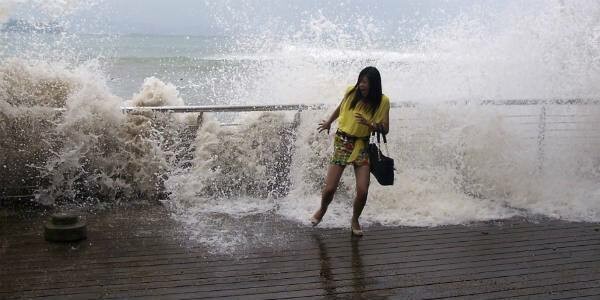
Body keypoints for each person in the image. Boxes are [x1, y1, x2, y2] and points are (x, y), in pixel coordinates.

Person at [310, 66, 390, 236]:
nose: (361, 85)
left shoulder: (383, 101)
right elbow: (341, 107)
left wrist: (370, 125)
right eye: (360, 81)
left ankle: (354, 219)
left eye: (365, 83)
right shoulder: (351, 92)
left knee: (362, 190)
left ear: (374, 85)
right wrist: (329, 121)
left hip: (362, 145)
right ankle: (322, 209)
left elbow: (385, 129)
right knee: (330, 188)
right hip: (343, 141)